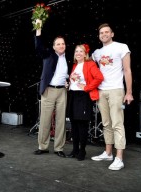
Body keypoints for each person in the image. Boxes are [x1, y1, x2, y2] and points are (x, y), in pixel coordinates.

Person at [91, 23, 134, 170]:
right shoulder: (96, 53)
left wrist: (129, 92)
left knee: (117, 123)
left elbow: (127, 70)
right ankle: (108, 153)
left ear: (112, 33)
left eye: (106, 32)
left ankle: (119, 158)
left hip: (116, 90)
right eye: (101, 33)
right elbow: (88, 69)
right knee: (106, 123)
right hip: (101, 91)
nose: (104, 34)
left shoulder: (122, 47)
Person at [33, 19, 70, 157]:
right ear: (54, 47)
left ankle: (59, 148)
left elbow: (70, 75)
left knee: (61, 121)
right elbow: (39, 47)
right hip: (48, 90)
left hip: (62, 92)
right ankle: (42, 146)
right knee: (45, 120)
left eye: (63, 44)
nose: (61, 46)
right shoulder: (48, 54)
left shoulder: (69, 58)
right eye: (58, 44)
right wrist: (38, 28)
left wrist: (68, 82)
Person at [66, 44, 104, 161]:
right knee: (74, 125)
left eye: (81, 51)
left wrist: (87, 87)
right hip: (72, 96)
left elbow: (99, 77)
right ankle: (75, 150)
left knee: (82, 126)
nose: (78, 53)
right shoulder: (74, 65)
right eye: (76, 51)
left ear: (85, 53)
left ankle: (82, 150)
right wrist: (68, 84)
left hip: (83, 97)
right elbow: (75, 81)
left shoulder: (90, 64)